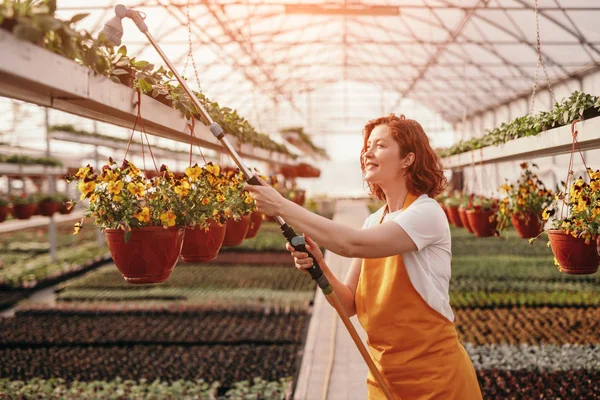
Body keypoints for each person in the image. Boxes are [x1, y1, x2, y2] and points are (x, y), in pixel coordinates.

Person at [244, 114, 482, 400]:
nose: (367, 152)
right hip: (384, 377)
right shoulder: (373, 222)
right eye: (367, 146)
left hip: (435, 379)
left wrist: (281, 204)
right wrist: (321, 266)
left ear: (408, 159)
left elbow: (351, 244)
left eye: (380, 145)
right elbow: (348, 304)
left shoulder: (426, 213)